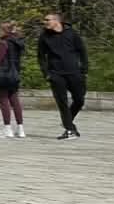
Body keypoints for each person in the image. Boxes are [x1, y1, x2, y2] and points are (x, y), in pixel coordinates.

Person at [37, 12, 89, 140]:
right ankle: (70, 130)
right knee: (62, 102)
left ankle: (68, 121)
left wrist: (84, 70)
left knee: (79, 100)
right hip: (56, 74)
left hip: (74, 73)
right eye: (45, 20)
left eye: (48, 20)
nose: (45, 22)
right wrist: (46, 74)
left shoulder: (71, 33)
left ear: (57, 21)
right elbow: (41, 56)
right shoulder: (44, 36)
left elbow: (82, 51)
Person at [0, 22, 27, 139]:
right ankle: (20, 129)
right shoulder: (17, 43)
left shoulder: (3, 43)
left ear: (5, 31)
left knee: (3, 100)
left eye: (0, 30)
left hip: (3, 74)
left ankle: (7, 129)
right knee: (15, 100)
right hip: (15, 73)